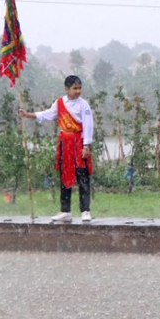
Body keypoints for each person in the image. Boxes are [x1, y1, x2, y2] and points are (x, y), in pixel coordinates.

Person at [19, 75, 94, 223]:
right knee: (65, 177)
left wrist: (86, 145)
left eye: (79, 88)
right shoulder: (59, 103)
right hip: (65, 145)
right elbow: (48, 114)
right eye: (74, 88)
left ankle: (85, 210)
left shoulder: (83, 104)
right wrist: (28, 115)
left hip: (78, 143)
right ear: (67, 89)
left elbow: (88, 124)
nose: (78, 91)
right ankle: (65, 210)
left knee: (82, 177)